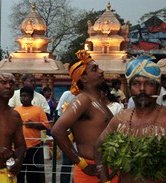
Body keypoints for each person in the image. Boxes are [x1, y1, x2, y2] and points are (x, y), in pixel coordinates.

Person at [94, 55, 166, 183]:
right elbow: (98, 147)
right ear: (129, 89)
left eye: (149, 84)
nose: (142, 89)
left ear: (158, 89)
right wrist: (105, 180)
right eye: (136, 84)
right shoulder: (120, 119)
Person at [51, 50, 118, 183]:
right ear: (84, 78)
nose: (101, 71)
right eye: (95, 69)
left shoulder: (97, 100)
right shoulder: (82, 100)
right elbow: (57, 130)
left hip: (107, 169)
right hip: (92, 172)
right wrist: (82, 164)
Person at [14, 86, 49, 183]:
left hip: (34, 147)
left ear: (32, 97)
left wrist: (33, 124)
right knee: (19, 174)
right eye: (21, 96)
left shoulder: (38, 110)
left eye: (25, 96)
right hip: (18, 147)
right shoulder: (15, 110)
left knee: (33, 174)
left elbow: (46, 125)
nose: (23, 98)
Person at [56, 90, 75, 183]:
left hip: (83, 134)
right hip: (68, 134)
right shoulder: (67, 95)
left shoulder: (87, 94)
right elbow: (59, 113)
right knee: (67, 162)